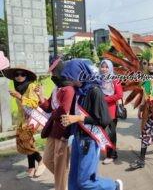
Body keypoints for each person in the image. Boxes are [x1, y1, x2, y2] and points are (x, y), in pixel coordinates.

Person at [60, 59, 123, 190]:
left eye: (71, 78)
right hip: (78, 138)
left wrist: (78, 118)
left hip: (89, 140)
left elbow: (104, 120)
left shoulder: (95, 91)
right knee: (73, 178)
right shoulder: (79, 91)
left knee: (85, 181)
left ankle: (114, 186)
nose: (69, 81)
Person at [35, 59, 75, 190]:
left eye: (53, 71)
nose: (52, 74)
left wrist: (52, 115)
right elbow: (48, 108)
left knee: (60, 165)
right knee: (47, 160)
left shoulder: (68, 89)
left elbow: (64, 109)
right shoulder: (56, 88)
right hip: (53, 129)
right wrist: (40, 96)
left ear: (60, 71)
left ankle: (61, 185)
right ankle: (63, 181)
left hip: (63, 130)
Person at [3, 67, 46, 178]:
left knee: (26, 142)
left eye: (22, 74)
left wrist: (20, 96)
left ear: (27, 76)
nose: (19, 77)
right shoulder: (17, 88)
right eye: (16, 75)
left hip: (32, 119)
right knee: (24, 142)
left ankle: (41, 160)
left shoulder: (31, 86)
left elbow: (34, 103)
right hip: (22, 120)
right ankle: (31, 168)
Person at [99, 59, 123, 165]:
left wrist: (105, 99)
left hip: (111, 111)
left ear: (110, 68)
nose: (104, 69)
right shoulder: (100, 79)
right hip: (101, 110)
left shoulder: (114, 79)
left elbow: (119, 95)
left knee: (111, 133)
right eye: (102, 66)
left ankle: (112, 155)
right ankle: (110, 152)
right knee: (104, 132)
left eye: (106, 67)